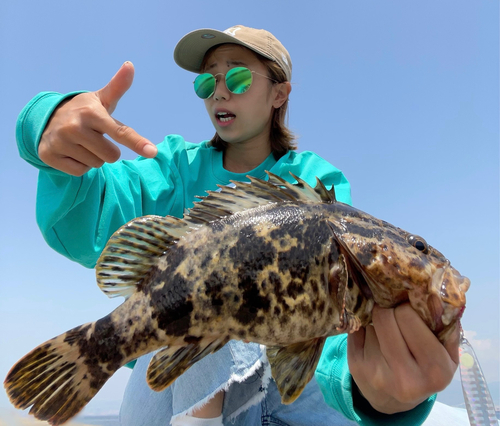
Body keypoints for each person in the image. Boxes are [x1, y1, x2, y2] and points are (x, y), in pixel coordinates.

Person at [16, 25, 464, 426]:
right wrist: (46, 130)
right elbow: (85, 222)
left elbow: (330, 347)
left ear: (279, 94)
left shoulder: (319, 184)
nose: (219, 92)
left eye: (238, 77)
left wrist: (379, 394)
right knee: (219, 300)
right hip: (181, 391)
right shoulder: (173, 167)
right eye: (207, 81)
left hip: (279, 393)